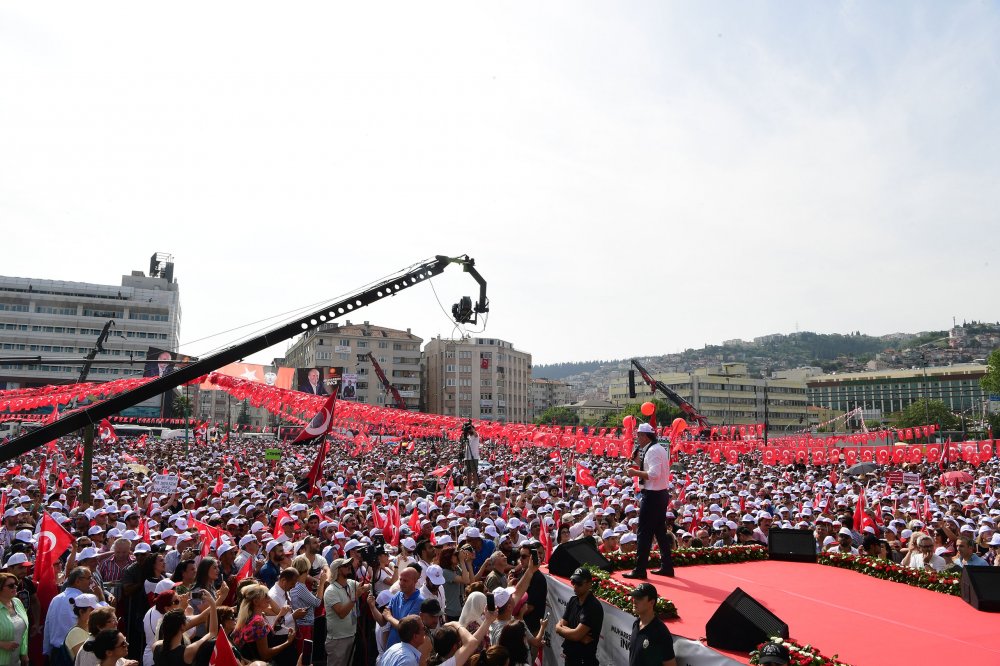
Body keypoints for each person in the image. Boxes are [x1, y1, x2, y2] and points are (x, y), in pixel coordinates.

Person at [624, 423, 675, 580]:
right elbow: (652, 470)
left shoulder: (653, 450)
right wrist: (638, 462)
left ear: (645, 436)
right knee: (659, 532)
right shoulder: (655, 449)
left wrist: (634, 472)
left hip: (653, 496)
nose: (637, 439)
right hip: (659, 495)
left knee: (644, 533)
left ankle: (640, 569)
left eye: (638, 435)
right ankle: (667, 566)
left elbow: (653, 474)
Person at [233, 584, 296, 664]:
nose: (269, 598)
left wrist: (279, 617)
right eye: (265, 596)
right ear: (256, 601)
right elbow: (265, 654)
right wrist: (288, 642)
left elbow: (266, 634)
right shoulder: (258, 622)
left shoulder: (251, 616)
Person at [555, 568, 603, 666]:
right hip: (569, 657)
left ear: (589, 584)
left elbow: (573, 634)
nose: (575, 586)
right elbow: (558, 627)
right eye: (573, 582)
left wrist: (574, 634)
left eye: (579, 583)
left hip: (584, 661)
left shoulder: (593, 607)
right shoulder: (573, 600)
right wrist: (580, 636)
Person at [324, 558, 366, 666]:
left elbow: (366, 587)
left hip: (351, 635)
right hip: (337, 639)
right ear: (337, 570)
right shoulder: (331, 591)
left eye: (349, 564)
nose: (349, 566)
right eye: (345, 565)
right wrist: (355, 597)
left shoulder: (350, 583)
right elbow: (341, 613)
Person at [628, 583, 675, 666]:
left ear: (652, 602)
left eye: (639, 598)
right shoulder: (636, 624)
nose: (634, 601)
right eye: (634, 597)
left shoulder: (660, 633)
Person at [383, 567, 424, 649]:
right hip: (391, 647)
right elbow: (382, 620)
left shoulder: (419, 601)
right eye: (400, 579)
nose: (401, 583)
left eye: (405, 580)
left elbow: (405, 628)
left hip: (404, 651)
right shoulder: (398, 595)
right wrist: (372, 606)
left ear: (415, 581)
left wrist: (389, 617)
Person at [0, 571, 29, 666]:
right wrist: (2, 644)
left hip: (16, 661)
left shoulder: (17, 602)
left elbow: (24, 632)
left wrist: (24, 653)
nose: (16, 587)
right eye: (11, 585)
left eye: (16, 584)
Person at [462, 422, 480, 487]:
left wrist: (471, 427)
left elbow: (475, 433)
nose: (469, 430)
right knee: (468, 472)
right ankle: (469, 485)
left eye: (470, 429)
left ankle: (474, 485)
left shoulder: (476, 435)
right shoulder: (468, 436)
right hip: (467, 456)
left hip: (474, 456)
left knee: (474, 471)